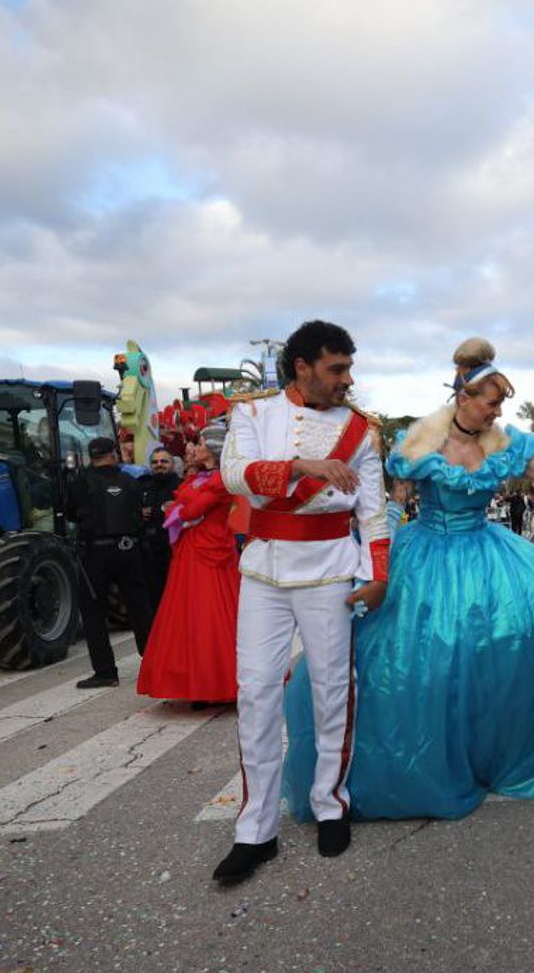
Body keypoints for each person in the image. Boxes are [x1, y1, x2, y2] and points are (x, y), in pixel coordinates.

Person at [280, 338, 534, 822]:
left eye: (501, 404)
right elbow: (393, 505)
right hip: (427, 554)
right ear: (464, 398)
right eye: (492, 402)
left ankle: (502, 749)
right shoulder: (420, 443)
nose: (497, 412)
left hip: (485, 550)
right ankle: (411, 761)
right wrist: (377, 562)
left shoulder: (504, 445)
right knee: (425, 656)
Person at [214, 320, 391, 885]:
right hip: (264, 570)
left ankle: (330, 805)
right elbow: (235, 477)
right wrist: (300, 468)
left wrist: (378, 574)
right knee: (256, 691)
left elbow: (374, 511)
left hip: (330, 571)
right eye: (336, 369)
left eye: (348, 368)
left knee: (333, 691)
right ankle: (255, 830)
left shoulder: (361, 430)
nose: (347, 379)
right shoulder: (253, 414)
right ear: (303, 367)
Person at [136, 423, 237, 708]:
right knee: (192, 617)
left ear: (214, 449)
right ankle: (201, 683)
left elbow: (191, 509)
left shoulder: (219, 479)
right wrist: (179, 509)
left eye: (201, 442)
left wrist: (178, 509)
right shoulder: (199, 477)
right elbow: (184, 507)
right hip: (192, 551)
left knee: (210, 617)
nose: (195, 446)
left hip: (210, 552)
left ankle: (217, 682)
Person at [66, 436, 155, 690]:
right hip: (130, 551)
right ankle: (153, 664)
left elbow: (71, 512)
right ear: (113, 454)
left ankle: (105, 672)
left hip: (96, 554)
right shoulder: (130, 481)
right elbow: (142, 512)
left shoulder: (80, 482)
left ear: (91, 456)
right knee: (140, 610)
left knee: (94, 614)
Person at [139, 447, 183, 608]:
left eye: (164, 461)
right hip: (149, 553)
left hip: (174, 551)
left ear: (172, 464)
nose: (159, 465)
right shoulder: (142, 487)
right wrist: (139, 512)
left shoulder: (182, 486)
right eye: (155, 462)